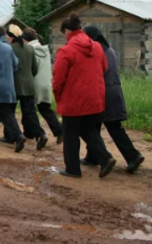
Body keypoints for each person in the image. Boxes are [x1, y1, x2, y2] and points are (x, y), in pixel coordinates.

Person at [53, 13, 116, 179]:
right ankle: (105, 158)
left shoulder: (66, 50)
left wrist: (58, 96)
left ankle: (73, 169)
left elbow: (58, 79)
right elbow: (104, 67)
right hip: (95, 97)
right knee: (89, 130)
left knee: (70, 133)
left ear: (67, 31)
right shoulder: (96, 47)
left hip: (73, 99)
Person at [82, 26, 145, 173]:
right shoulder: (109, 50)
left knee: (99, 127)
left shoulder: (97, 51)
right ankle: (92, 156)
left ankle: (133, 156)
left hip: (104, 93)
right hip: (114, 91)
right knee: (103, 126)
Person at [6, 25, 48, 150]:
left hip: (14, 84)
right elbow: (34, 69)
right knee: (30, 111)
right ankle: (41, 134)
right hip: (29, 84)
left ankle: (12, 135)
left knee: (9, 111)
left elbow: (9, 67)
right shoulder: (30, 49)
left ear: (11, 37)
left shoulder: (10, 49)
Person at [21, 28, 63, 144]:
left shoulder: (29, 50)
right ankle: (59, 130)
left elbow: (30, 68)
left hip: (34, 82)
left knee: (28, 108)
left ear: (25, 39)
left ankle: (34, 132)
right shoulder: (45, 49)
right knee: (45, 108)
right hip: (46, 81)